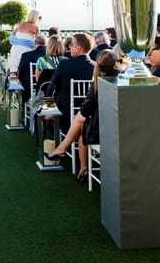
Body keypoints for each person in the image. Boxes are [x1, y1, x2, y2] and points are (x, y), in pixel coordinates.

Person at [44, 49, 120, 181]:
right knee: (82, 125)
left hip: (103, 129)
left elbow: (85, 110)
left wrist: (48, 104)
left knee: (81, 122)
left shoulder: (100, 82)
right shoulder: (119, 78)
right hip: (113, 125)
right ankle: (81, 167)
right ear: (115, 64)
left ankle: (65, 151)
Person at [45, 32, 95, 134]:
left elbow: (51, 86)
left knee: (45, 114)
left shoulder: (64, 64)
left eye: (71, 45)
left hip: (65, 111)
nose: (69, 48)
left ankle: (51, 143)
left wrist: (48, 106)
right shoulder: (96, 67)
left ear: (78, 48)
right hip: (90, 112)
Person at [8, 9, 42, 75]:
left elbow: (13, 34)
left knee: (14, 68)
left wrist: (19, 41)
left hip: (15, 48)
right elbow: (38, 41)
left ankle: (14, 83)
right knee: (25, 69)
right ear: (36, 17)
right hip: (25, 50)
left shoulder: (22, 24)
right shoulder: (36, 27)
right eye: (40, 17)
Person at [17, 34, 46, 103]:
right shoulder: (50, 57)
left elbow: (20, 73)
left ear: (35, 43)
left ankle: (25, 110)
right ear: (46, 44)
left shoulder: (26, 55)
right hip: (47, 90)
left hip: (29, 91)